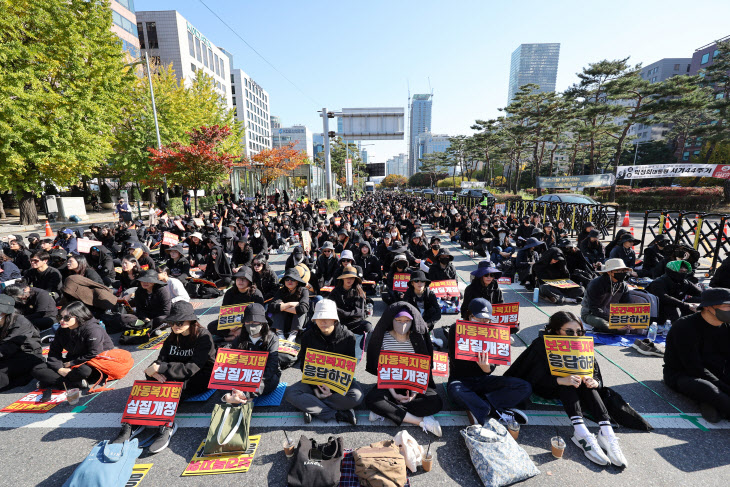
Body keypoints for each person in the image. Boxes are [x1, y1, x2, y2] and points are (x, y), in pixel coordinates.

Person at [504, 311, 627, 467]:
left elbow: (593, 370)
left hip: (576, 386)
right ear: (556, 330)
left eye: (579, 331)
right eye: (569, 331)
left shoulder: (581, 344)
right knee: (569, 383)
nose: (575, 335)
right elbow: (532, 376)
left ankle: (606, 432)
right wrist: (560, 380)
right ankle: (581, 433)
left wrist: (594, 381)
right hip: (548, 386)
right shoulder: (541, 344)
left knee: (585, 382)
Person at [112, 301, 215, 453]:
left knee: (172, 386)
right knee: (151, 380)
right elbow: (161, 359)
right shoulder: (173, 337)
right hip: (176, 372)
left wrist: (162, 369)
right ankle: (133, 422)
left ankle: (167, 425)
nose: (175, 326)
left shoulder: (203, 336)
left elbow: (191, 368)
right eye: (172, 322)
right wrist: (153, 370)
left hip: (199, 376)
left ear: (191, 321)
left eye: (179, 322)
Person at [447, 299, 531, 426]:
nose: (483, 322)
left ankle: (482, 406)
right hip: (461, 381)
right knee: (455, 390)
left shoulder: (495, 332)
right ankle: (493, 409)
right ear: (469, 315)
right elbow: (456, 362)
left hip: (483, 380)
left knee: (524, 387)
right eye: (478, 318)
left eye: (486, 320)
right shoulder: (456, 329)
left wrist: (486, 367)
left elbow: (490, 369)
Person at [365, 303, 444, 437]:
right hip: (390, 384)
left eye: (407, 321)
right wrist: (394, 394)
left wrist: (413, 394)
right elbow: (383, 369)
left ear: (412, 322)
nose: (403, 324)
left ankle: (386, 410)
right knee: (371, 399)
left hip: (413, 384)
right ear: (392, 320)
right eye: (399, 320)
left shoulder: (417, 338)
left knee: (436, 402)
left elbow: (421, 368)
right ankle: (420, 421)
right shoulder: (383, 337)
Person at [284, 299, 363, 425]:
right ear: (315, 320)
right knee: (290, 393)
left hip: (339, 382)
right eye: (319, 318)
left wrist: (332, 391)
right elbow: (304, 364)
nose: (323, 322)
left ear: (334, 319)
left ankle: (311, 406)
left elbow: (349, 367)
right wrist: (316, 388)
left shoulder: (348, 336)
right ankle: (338, 412)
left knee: (357, 396)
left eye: (327, 317)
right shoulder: (307, 336)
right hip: (315, 380)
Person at [663, 288, 730, 423]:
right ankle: (716, 402)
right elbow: (694, 367)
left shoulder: (726, 326)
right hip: (685, 374)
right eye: (727, 306)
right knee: (708, 389)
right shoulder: (684, 327)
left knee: (719, 391)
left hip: (718, 371)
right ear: (708, 307)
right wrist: (725, 388)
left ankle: (711, 403)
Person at [32, 302, 114, 401]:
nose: (62, 321)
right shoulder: (62, 330)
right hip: (73, 361)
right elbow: (54, 352)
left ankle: (57, 381)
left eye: (66, 318)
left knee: (84, 370)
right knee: (37, 369)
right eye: (59, 317)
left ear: (78, 317)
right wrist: (59, 369)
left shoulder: (93, 329)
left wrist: (71, 363)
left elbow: (94, 353)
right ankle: (75, 382)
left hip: (95, 361)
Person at [223, 303, 281, 400]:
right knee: (223, 380)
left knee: (270, 381)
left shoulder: (272, 339)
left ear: (263, 323)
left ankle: (244, 397)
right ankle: (234, 397)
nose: (251, 325)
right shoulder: (240, 339)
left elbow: (271, 367)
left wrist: (248, 390)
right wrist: (227, 395)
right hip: (244, 376)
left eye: (255, 322)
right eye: (248, 322)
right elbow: (229, 367)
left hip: (264, 376)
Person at [0, 294, 43, 391]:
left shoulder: (20, 322)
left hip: (27, 354)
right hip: (8, 354)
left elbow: (8, 347)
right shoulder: (3, 322)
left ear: (5, 313)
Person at [209, 267, 265, 342]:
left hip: (248, 323)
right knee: (211, 326)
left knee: (258, 328)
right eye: (238, 279)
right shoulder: (229, 293)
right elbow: (224, 313)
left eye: (244, 279)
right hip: (232, 323)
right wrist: (229, 326)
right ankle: (236, 336)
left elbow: (259, 316)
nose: (240, 281)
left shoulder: (256, 294)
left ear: (249, 281)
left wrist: (241, 326)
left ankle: (229, 338)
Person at [581, 259, 634, 334]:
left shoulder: (623, 285)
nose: (623, 273)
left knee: (628, 327)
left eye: (624, 271)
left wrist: (627, 319)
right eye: (619, 271)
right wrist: (613, 320)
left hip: (611, 315)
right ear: (609, 272)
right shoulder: (596, 284)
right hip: (591, 314)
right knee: (603, 324)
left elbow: (626, 304)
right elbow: (594, 308)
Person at [646, 260, 701, 325]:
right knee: (671, 309)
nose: (683, 274)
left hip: (676, 306)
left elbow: (700, 293)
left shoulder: (684, 283)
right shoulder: (658, 283)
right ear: (671, 271)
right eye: (680, 271)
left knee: (697, 301)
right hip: (657, 311)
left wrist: (700, 305)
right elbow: (665, 298)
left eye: (685, 271)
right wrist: (686, 305)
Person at [328, 265, 370, 336]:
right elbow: (329, 308)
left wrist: (342, 312)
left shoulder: (359, 292)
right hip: (339, 322)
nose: (349, 280)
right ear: (343, 278)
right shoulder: (335, 291)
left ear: (355, 279)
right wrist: (348, 314)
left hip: (354, 323)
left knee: (368, 326)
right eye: (347, 277)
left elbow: (359, 313)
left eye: (352, 278)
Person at [403, 270, 442, 344]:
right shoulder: (408, 294)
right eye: (417, 281)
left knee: (433, 310)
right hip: (414, 319)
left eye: (422, 281)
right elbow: (404, 310)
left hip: (426, 320)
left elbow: (438, 312)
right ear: (412, 283)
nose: (420, 283)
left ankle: (429, 332)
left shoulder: (430, 294)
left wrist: (428, 324)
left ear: (425, 283)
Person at [270, 268, 310, 340]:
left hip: (298, 323)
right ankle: (280, 335)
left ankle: (292, 336)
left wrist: (283, 306)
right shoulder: (281, 291)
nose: (289, 281)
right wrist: (289, 304)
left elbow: (303, 308)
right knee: (277, 309)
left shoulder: (304, 290)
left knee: (300, 311)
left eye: (293, 279)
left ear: (297, 281)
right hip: (284, 321)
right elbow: (272, 306)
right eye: (287, 279)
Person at [129, 269, 172, 335]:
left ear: (154, 282)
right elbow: (139, 309)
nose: (144, 283)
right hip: (146, 315)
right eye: (142, 280)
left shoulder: (162, 291)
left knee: (162, 320)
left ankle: (151, 327)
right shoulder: (139, 291)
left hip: (160, 316)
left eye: (148, 281)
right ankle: (150, 327)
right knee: (127, 318)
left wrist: (151, 321)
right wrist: (145, 318)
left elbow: (166, 312)